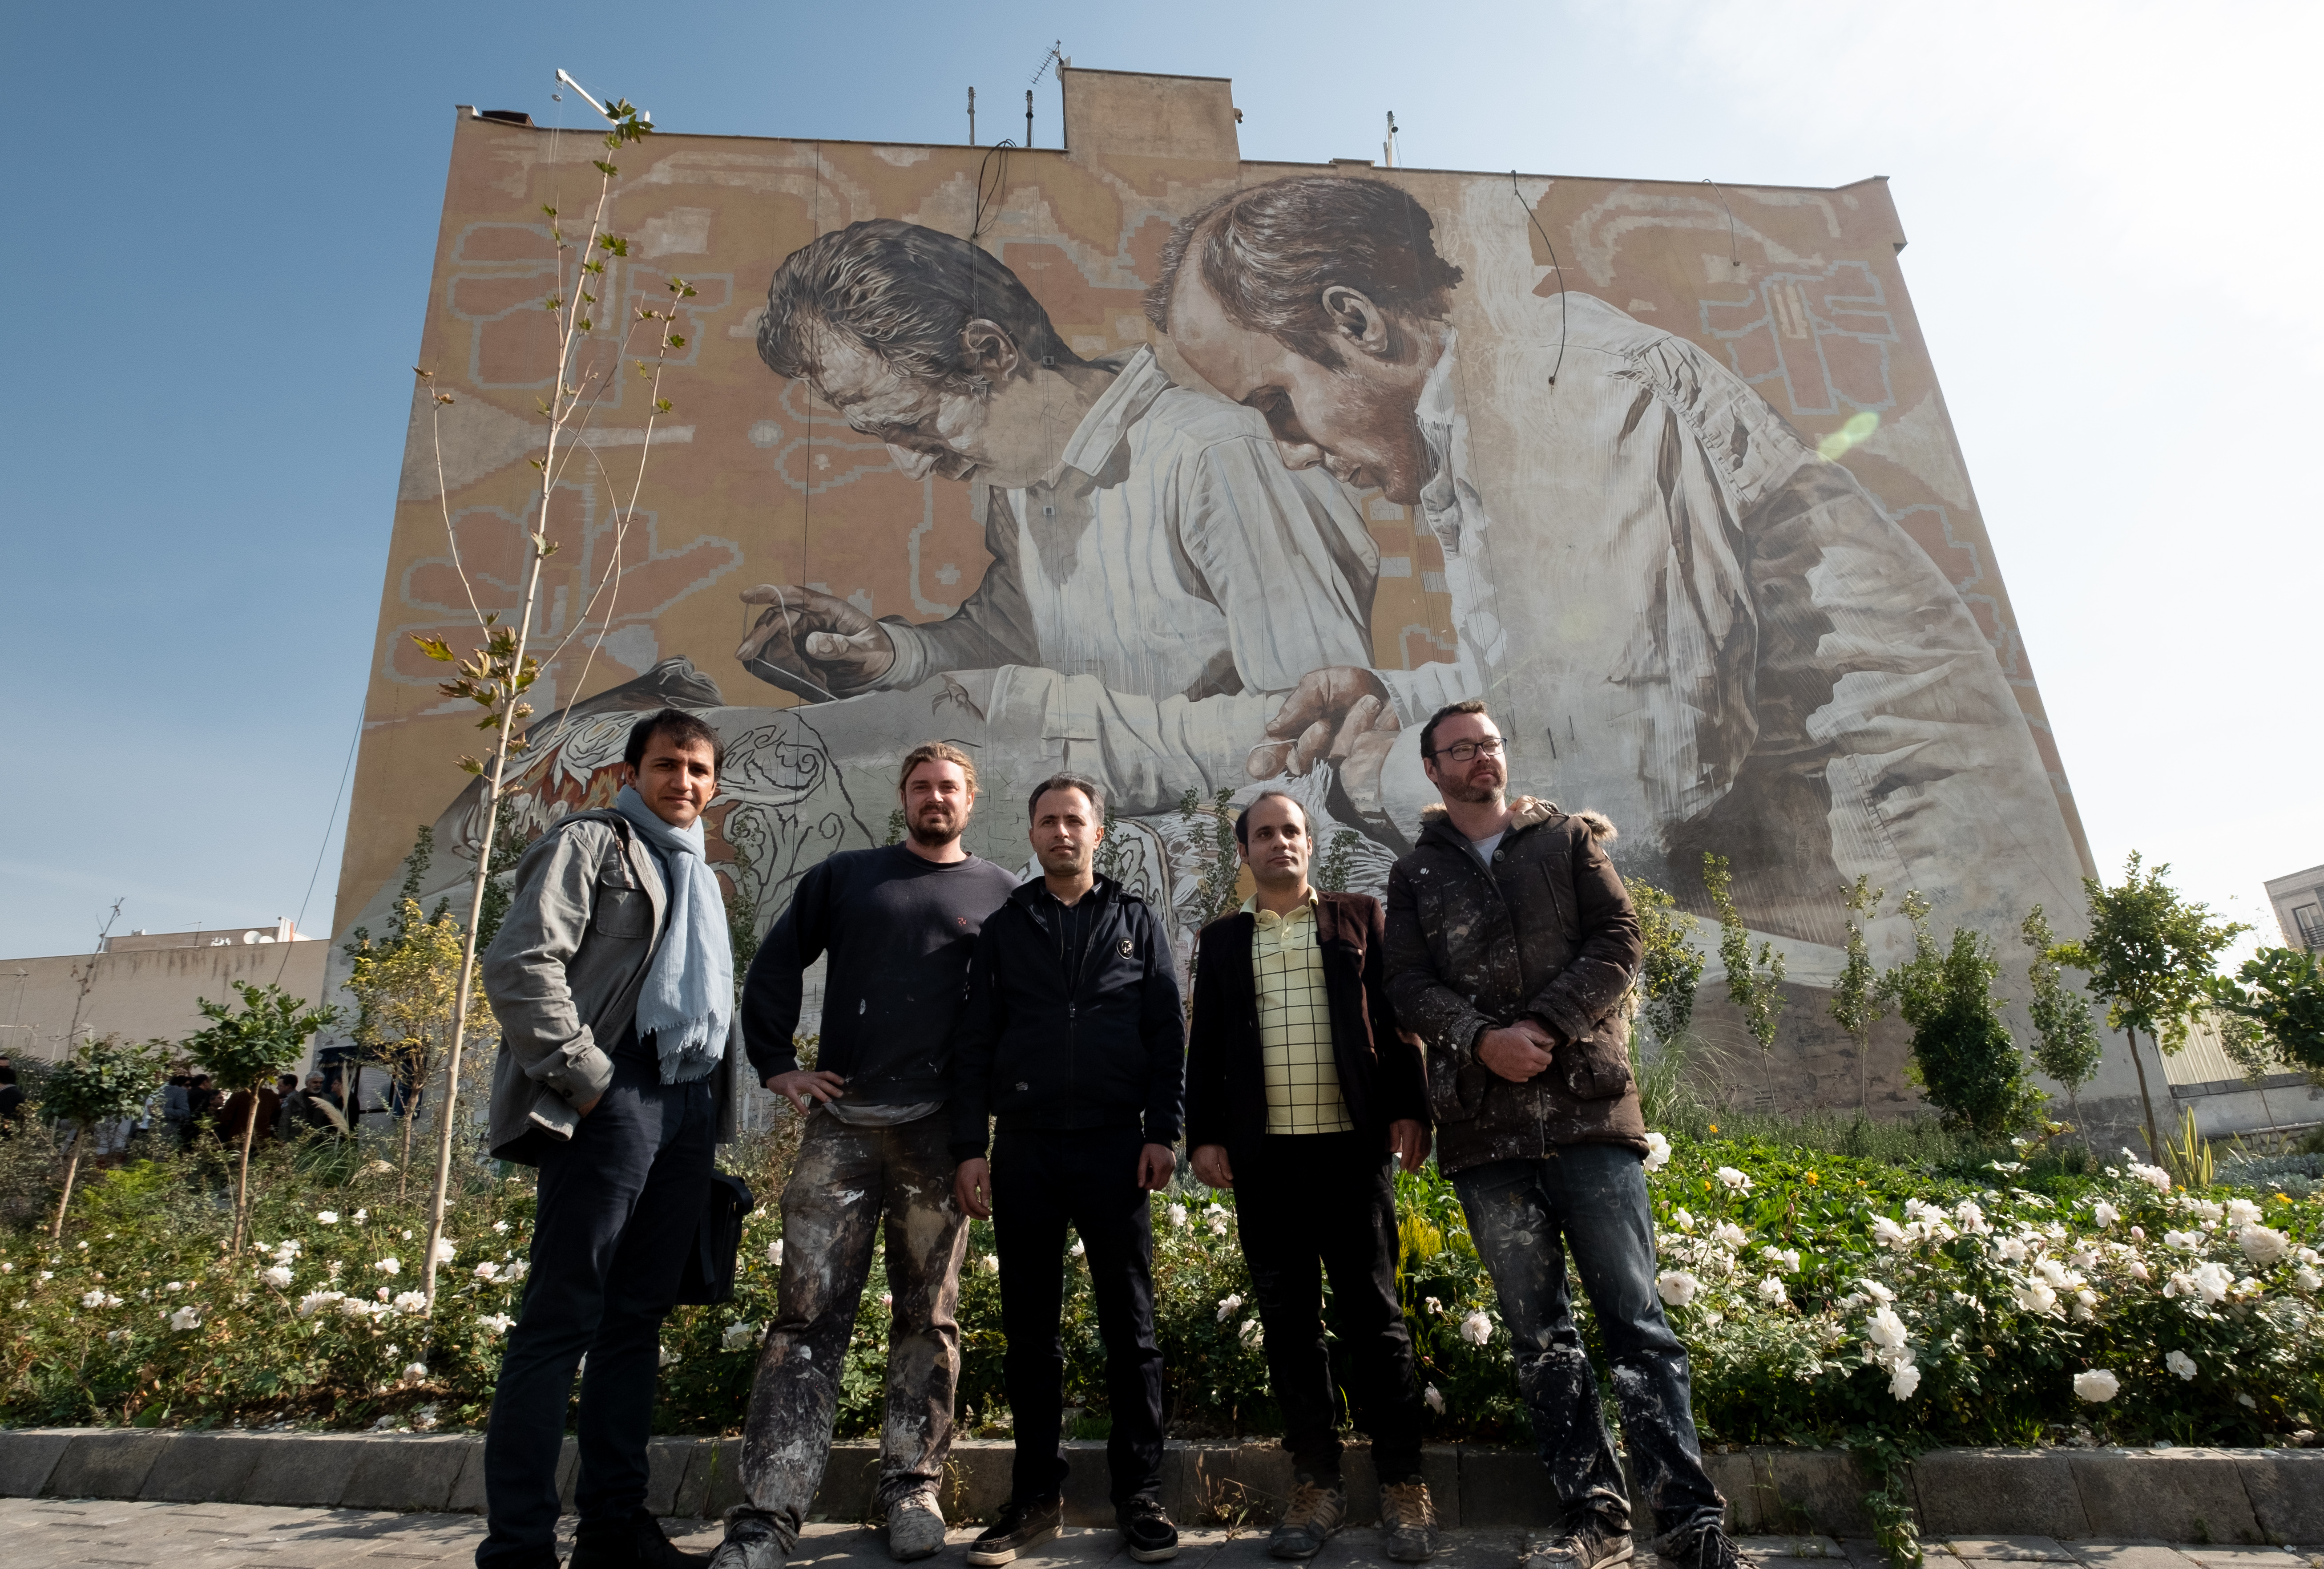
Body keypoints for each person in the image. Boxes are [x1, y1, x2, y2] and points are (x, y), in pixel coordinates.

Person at [1147, 175, 2086, 942]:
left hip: (1924, 934)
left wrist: (1386, 772)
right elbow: (1561, 675)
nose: (1292, 452)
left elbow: (1632, 776)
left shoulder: (1565, 396)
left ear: (1355, 322)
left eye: (1276, 403)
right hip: (1853, 929)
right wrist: (1400, 704)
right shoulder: (1500, 408)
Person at [737, 218, 1383, 816]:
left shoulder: (1211, 454)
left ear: (992, 351)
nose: (910, 467)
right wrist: (894, 656)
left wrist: (1054, 727)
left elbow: (1322, 730)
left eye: (914, 425)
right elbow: (1018, 640)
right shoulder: (1015, 485)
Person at [1380, 700, 1733, 1569]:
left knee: (1637, 1322)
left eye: (1487, 744)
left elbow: (1620, 938)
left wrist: (1541, 1023)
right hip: (1485, 1133)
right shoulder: (1416, 874)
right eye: (1458, 751)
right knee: (1540, 1335)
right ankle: (1594, 1517)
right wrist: (1478, 1038)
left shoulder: (1567, 840)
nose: (1478, 761)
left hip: (1587, 1111)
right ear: (1432, 770)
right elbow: (1404, 984)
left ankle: (1688, 1521)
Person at [712, 743, 1020, 1569]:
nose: (933, 798)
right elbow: (774, 963)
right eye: (920, 786)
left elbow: (1019, 1010)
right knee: (805, 1320)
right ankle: (768, 1517)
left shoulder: (999, 893)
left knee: (929, 1317)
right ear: (904, 797)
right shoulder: (846, 878)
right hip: (840, 1125)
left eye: (948, 787)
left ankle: (910, 1487)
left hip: (938, 1135)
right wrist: (776, 1061)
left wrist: (989, 1124)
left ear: (969, 798)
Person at [476, 708, 736, 1569]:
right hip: (613, 1094)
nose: (684, 783)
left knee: (635, 1321)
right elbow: (520, 965)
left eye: (699, 770)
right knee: (560, 1320)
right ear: (631, 771)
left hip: (685, 1100)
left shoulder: (698, 869)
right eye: (668, 766)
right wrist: (588, 1078)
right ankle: (516, 1545)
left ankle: (614, 1530)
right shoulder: (591, 843)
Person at [1185, 789, 1437, 1562]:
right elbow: (1207, 1046)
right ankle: (1315, 1480)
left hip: (1350, 1153)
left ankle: (1401, 1482)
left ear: (1308, 842)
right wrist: (1203, 1136)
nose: (1278, 843)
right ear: (1245, 852)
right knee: (1289, 1322)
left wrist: (1411, 1109)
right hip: (1266, 1159)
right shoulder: (1223, 940)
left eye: (1290, 830)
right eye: (1263, 834)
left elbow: (1398, 1023)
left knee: (1374, 1317)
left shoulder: (1358, 917)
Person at [947, 773, 1186, 1566]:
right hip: (1024, 1147)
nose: (1060, 832)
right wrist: (968, 1147)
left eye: (1072, 820)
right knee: (1028, 1335)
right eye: (1047, 821)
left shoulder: (1135, 919)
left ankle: (1138, 1495)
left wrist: (1164, 1132)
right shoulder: (1005, 926)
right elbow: (975, 1041)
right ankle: (1034, 1497)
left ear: (1097, 831)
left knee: (1131, 1328)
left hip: (1117, 1147)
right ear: (1032, 832)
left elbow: (1165, 1035)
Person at [214, 1080, 282, 1147]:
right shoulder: (273, 1097)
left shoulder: (238, 1096)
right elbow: (276, 1119)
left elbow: (226, 1119)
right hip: (263, 1138)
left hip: (240, 1138)